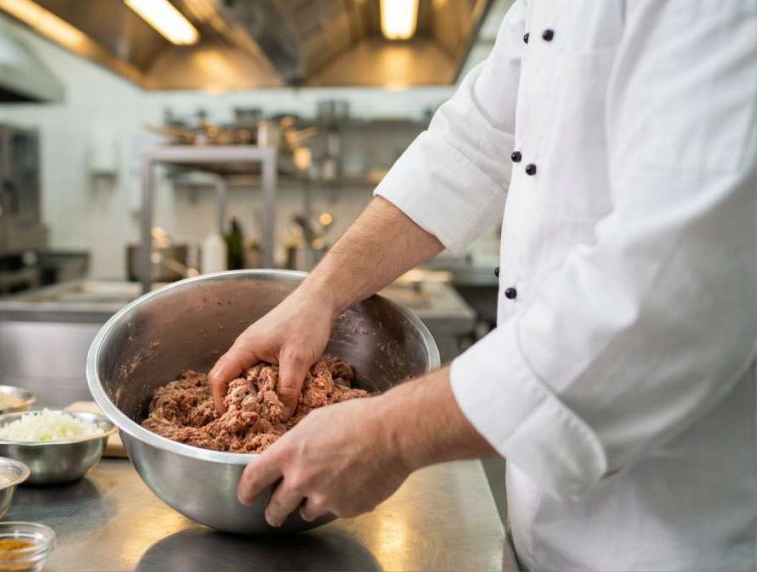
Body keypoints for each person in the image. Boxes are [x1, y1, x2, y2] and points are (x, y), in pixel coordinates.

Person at [207, 1, 757, 569]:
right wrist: (317, 295)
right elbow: (470, 148)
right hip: (540, 537)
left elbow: (668, 292)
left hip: (671, 537)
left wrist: (388, 436)